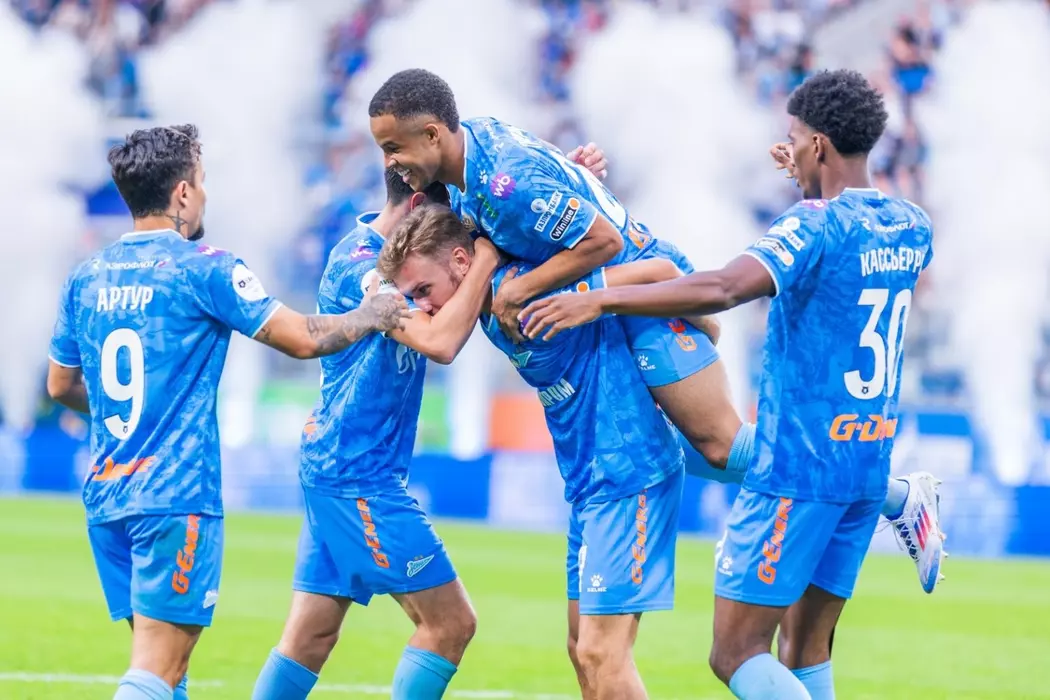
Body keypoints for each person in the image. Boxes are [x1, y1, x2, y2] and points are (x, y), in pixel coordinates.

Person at [367, 67, 945, 595]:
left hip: (643, 288)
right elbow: (536, 196)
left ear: (434, 133)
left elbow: (603, 240)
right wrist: (572, 177)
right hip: (625, 297)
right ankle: (860, 498)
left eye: (393, 148)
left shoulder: (500, 180)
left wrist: (525, 289)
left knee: (719, 442)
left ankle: (884, 497)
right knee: (690, 450)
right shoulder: (478, 157)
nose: (389, 162)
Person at [519, 69, 944, 699]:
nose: (787, 149)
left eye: (793, 139)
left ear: (819, 144)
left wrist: (599, 299)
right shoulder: (912, 223)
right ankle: (897, 497)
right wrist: (811, 175)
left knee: (736, 652)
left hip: (795, 468)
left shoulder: (813, 223)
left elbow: (724, 287)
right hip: (864, 460)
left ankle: (900, 499)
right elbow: (845, 242)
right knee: (805, 650)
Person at [45, 124, 409, 700]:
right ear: (183, 193)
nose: (205, 194)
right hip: (173, 497)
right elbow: (302, 338)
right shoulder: (204, 268)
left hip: (108, 497)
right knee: (159, 669)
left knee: (168, 671)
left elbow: (61, 383)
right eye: (202, 181)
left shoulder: (85, 276)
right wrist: (370, 315)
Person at [253, 150, 609, 700]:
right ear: (419, 202)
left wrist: (564, 174)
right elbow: (439, 342)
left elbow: (494, 214)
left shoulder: (409, 249)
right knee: (450, 624)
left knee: (310, 638)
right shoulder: (364, 265)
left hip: (339, 467)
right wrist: (485, 261)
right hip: (357, 475)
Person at [377, 204, 699, 700]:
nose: (422, 305)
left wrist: (701, 328)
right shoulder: (489, 304)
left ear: (461, 262)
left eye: (424, 290)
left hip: (629, 469)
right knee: (581, 648)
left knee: (601, 652)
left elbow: (662, 272)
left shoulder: (529, 290)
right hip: (589, 482)